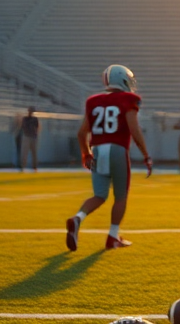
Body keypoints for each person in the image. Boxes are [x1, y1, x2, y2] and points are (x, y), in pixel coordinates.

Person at [65, 64, 152, 251]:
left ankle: (78, 218)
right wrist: (146, 155)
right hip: (117, 150)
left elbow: (81, 134)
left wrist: (86, 153)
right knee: (120, 197)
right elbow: (134, 130)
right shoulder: (129, 99)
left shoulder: (93, 101)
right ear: (123, 79)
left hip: (97, 150)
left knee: (99, 195)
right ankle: (112, 237)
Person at [18, 108, 40, 172]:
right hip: (27, 136)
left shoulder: (35, 119)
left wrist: (35, 134)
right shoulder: (25, 118)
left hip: (33, 136)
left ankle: (34, 166)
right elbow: (23, 126)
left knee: (34, 152)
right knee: (24, 152)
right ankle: (23, 166)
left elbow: (37, 127)